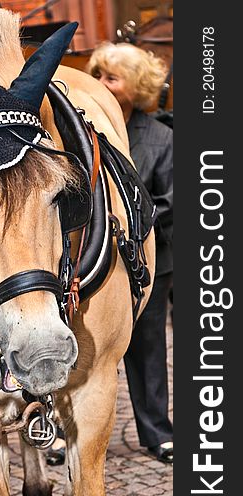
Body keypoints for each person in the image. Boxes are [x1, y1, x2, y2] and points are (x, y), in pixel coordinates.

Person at [87, 42, 173, 464]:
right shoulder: (86, 133)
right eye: (98, 75)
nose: (101, 85)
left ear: (136, 88)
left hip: (150, 266)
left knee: (147, 350)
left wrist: (120, 223)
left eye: (112, 78)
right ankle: (71, 438)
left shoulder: (161, 138)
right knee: (85, 351)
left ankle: (157, 433)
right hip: (93, 265)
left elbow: (171, 203)